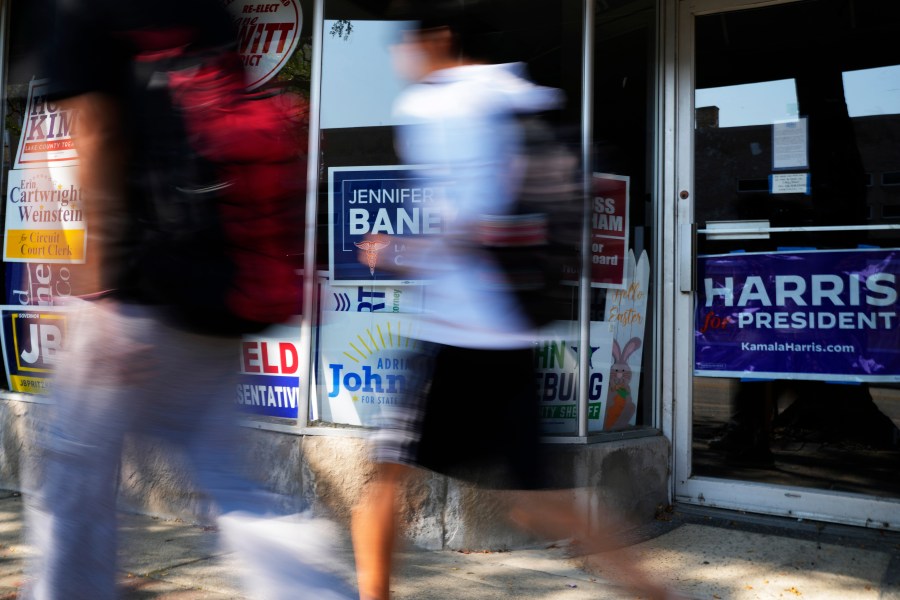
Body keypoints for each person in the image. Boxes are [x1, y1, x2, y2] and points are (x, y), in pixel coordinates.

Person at [19, 1, 354, 599]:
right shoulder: (203, 9)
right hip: (221, 295)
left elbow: (94, 136)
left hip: (136, 297)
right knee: (232, 482)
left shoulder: (82, 16)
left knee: (71, 482)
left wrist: (97, 287)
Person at [350, 2, 683, 599]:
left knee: (382, 482)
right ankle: (657, 594)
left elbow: (471, 223)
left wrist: (399, 251)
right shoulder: (521, 94)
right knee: (537, 505)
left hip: (456, 335)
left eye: (407, 42)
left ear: (440, 38)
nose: (400, 57)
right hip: (512, 331)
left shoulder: (437, 104)